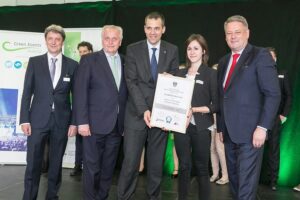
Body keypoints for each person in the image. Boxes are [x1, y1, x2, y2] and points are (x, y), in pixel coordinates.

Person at [216, 15, 281, 200]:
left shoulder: (260, 55)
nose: (233, 36)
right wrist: (221, 126)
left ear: (247, 33)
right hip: (228, 134)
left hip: (252, 134)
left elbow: (273, 94)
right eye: (229, 33)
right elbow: (223, 97)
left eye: (237, 32)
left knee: (246, 187)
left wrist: (262, 127)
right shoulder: (223, 62)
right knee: (235, 185)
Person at [117, 11, 179, 200]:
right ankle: (124, 196)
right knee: (130, 162)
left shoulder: (173, 50)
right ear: (144, 29)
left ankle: (154, 197)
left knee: (156, 162)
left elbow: (176, 83)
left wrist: (173, 79)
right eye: (149, 28)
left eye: (157, 28)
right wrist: (144, 109)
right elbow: (131, 82)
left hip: (161, 116)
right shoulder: (133, 49)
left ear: (163, 29)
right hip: (136, 113)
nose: (153, 32)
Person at [20, 24, 78, 200]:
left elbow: (77, 97)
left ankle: (52, 196)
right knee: (32, 165)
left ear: (62, 42)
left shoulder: (73, 65)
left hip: (61, 121)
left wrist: (74, 122)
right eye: (50, 39)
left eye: (57, 39)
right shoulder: (35, 62)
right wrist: (24, 119)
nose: (54, 42)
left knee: (55, 164)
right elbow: (27, 92)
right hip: (37, 120)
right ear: (45, 40)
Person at [73, 25, 127, 200]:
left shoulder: (127, 61)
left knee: (108, 169)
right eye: (107, 38)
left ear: (120, 41)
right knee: (92, 168)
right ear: (102, 40)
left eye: (114, 38)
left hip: (117, 126)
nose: (110, 42)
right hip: (93, 126)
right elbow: (80, 92)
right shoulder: (89, 60)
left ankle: (102, 197)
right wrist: (81, 122)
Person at [174, 34, 218, 200]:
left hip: (201, 127)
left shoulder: (210, 74)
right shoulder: (179, 73)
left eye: (196, 48)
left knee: (201, 168)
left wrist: (194, 109)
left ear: (203, 51)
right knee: (184, 166)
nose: (192, 51)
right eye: (189, 48)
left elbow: (216, 105)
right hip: (181, 127)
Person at [265, 47, 292, 191]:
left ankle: (273, 181)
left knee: (274, 150)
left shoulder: (282, 74)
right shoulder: (259, 74)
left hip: (275, 118)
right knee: (255, 150)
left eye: (272, 57)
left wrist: (284, 115)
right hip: (260, 119)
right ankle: (254, 178)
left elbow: (289, 96)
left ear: (276, 59)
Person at [70, 41, 93, 177]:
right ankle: (77, 165)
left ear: (90, 51)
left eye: (85, 51)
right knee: (79, 140)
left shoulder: (97, 65)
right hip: (79, 109)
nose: (83, 54)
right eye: (81, 52)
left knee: (92, 141)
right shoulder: (76, 68)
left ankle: (90, 167)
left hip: (94, 110)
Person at [210, 64, 229, 185]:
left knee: (220, 148)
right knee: (211, 148)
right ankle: (215, 173)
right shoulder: (211, 86)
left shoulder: (223, 88)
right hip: (211, 121)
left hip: (220, 121)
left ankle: (226, 175)